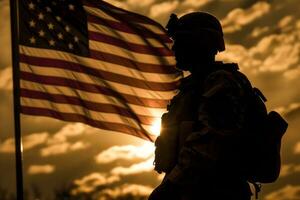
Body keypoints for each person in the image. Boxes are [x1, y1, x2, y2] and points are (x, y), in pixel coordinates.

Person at [149, 12, 254, 200]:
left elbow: (212, 141)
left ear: (199, 43)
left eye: (181, 41)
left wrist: (170, 186)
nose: (174, 48)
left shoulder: (220, 82)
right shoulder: (192, 88)